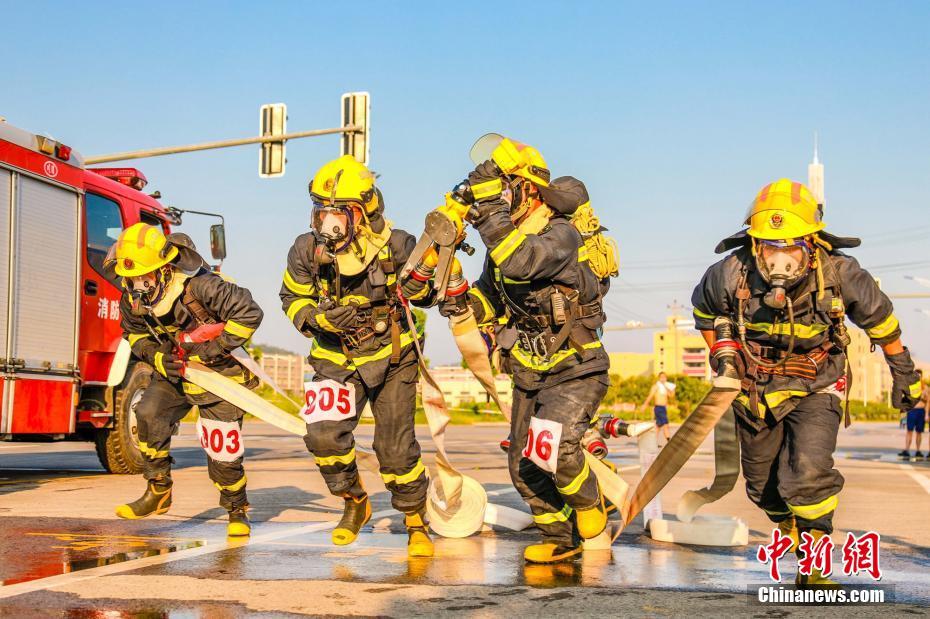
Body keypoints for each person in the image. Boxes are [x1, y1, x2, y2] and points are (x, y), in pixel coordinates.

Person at [692, 179, 923, 587]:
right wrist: (721, 355)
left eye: (790, 247)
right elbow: (704, 314)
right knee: (762, 487)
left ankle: (814, 564)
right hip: (755, 387)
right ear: (755, 245)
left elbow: (882, 323)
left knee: (807, 472)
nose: (780, 259)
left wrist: (904, 371)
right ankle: (791, 527)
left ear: (811, 244)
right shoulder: (729, 272)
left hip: (819, 381)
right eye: (770, 247)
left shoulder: (841, 273)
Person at [450, 135, 611, 565]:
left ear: (528, 190)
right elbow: (491, 295)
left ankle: (591, 503)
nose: (497, 199)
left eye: (503, 188)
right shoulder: (504, 244)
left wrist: (486, 212)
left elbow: (522, 261)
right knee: (524, 465)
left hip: (576, 366)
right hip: (529, 367)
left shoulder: (561, 233)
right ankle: (561, 537)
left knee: (556, 449)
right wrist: (459, 300)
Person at [280, 155, 444, 557]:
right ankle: (355, 501)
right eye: (321, 211)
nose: (327, 222)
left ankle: (414, 519)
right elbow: (291, 297)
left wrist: (432, 265)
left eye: (339, 213)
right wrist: (318, 319)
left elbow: (426, 297)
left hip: (392, 357)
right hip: (334, 356)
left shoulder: (400, 244)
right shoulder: (306, 249)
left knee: (395, 449)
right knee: (322, 435)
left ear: (365, 211)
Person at [111, 224, 263, 536]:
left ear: (165, 269)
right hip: (175, 370)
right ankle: (158, 488)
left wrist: (215, 348)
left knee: (222, 448)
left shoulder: (203, 286)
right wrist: (156, 358)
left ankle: (236, 509)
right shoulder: (132, 297)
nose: (138, 287)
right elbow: (135, 334)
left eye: (145, 278)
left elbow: (249, 313)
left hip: (218, 371)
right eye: (131, 280)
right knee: (148, 413)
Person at [900, 370, 928, 459]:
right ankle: (906, 450)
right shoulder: (909, 386)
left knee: (919, 432)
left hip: (921, 411)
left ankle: (918, 451)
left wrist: (926, 414)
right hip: (911, 411)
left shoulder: (925, 388)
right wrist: (902, 416)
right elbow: (903, 401)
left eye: (920, 376)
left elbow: (928, 402)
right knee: (909, 431)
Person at [642, 372, 675, 444]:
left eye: (664, 377)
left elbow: (671, 396)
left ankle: (653, 442)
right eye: (661, 377)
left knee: (658, 426)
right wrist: (645, 405)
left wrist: (666, 386)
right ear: (659, 378)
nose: (663, 379)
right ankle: (669, 441)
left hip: (663, 408)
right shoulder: (656, 386)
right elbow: (650, 396)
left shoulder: (665, 387)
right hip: (658, 408)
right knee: (666, 424)